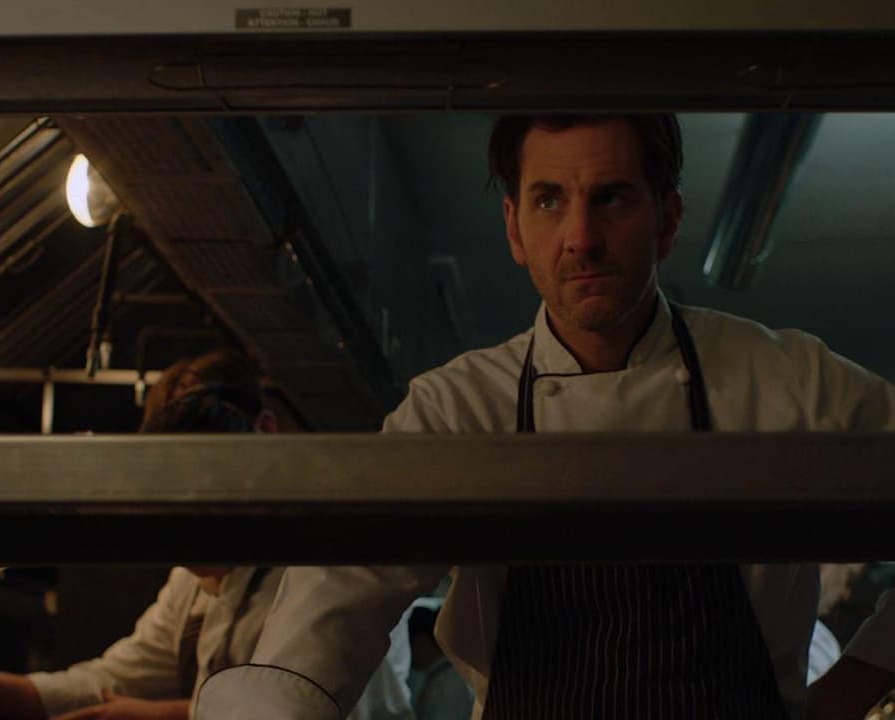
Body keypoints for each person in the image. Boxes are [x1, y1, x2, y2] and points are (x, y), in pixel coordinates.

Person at [194, 115, 895, 720]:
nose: (581, 236)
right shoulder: (457, 408)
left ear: (668, 219)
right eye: (550, 199)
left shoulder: (788, 378)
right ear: (514, 227)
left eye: (611, 197)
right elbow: (338, 596)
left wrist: (856, 681)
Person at [0, 350, 416, 720]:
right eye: (178, 489)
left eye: (208, 480)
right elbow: (112, 680)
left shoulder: (329, 556)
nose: (191, 515)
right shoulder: (191, 583)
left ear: (264, 432)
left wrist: (161, 717)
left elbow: (323, 708)